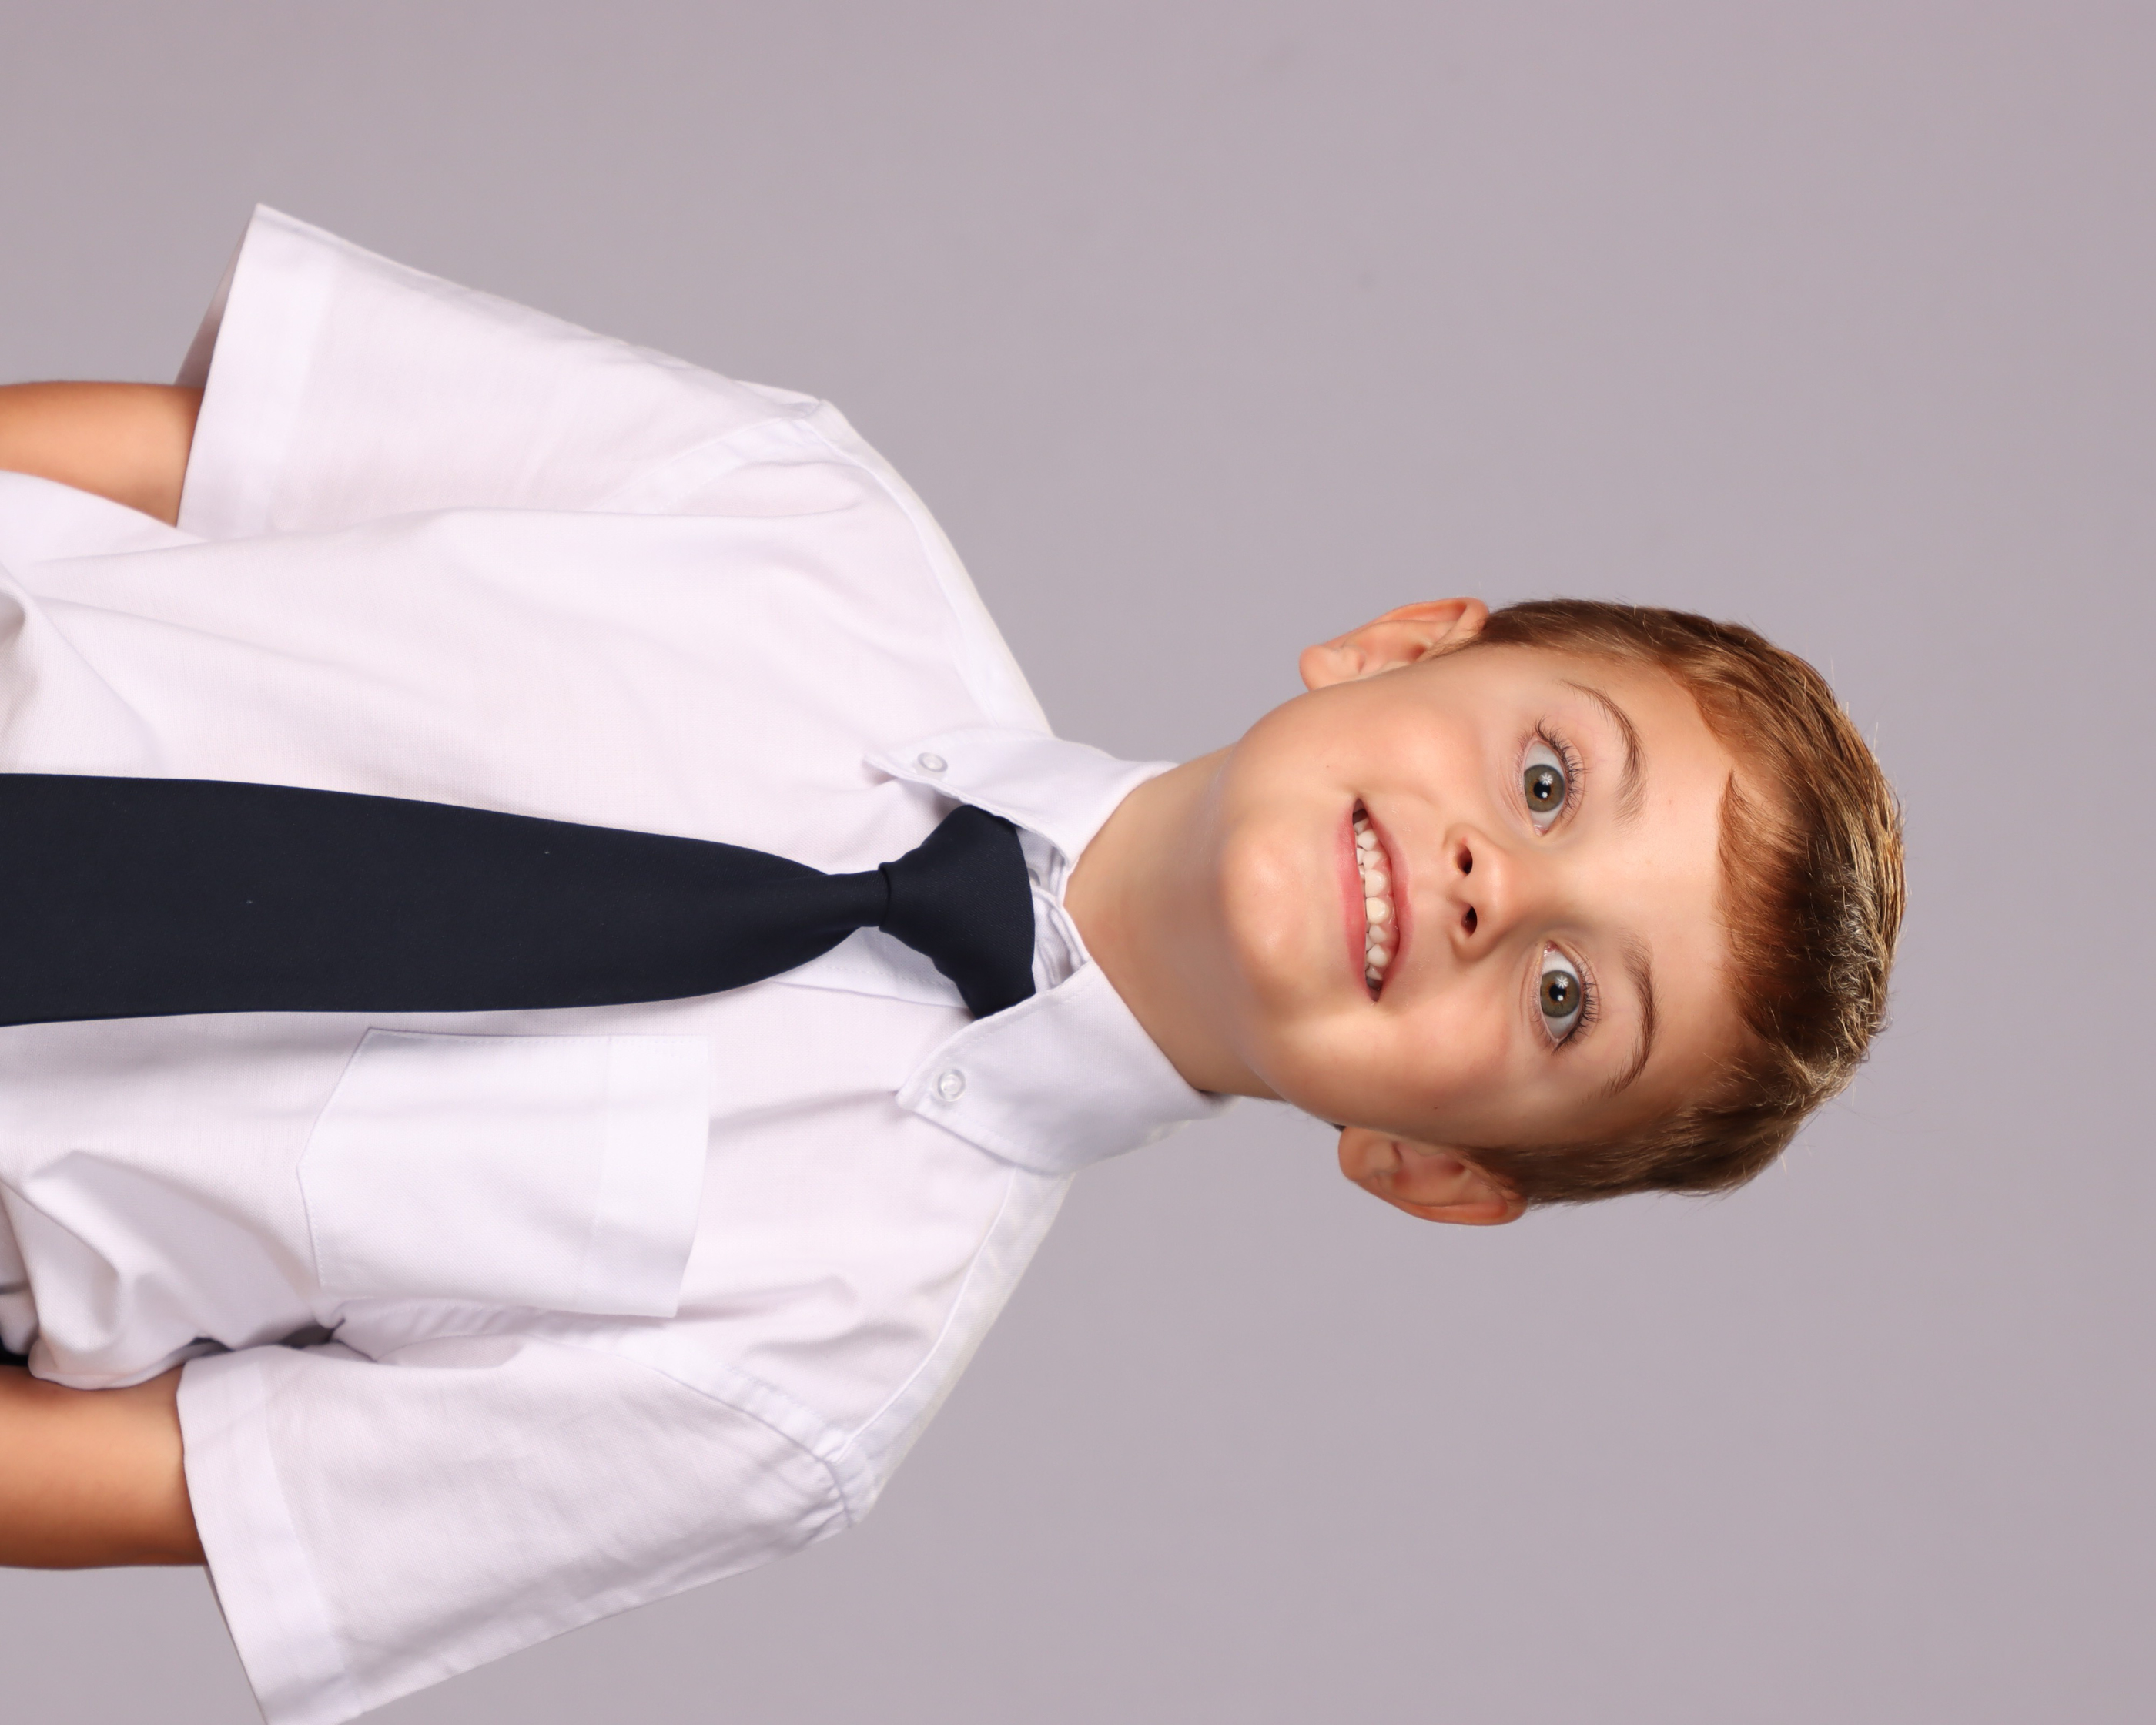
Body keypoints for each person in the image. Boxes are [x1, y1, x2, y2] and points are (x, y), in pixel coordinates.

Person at [0, 209, 1902, 1725]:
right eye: (1549, 777)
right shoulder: (800, 515)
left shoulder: (805, 1379)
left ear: (1434, 1169)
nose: (1499, 886)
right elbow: (202, 459)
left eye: (1569, 999)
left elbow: (165, 1474)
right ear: (1401, 642)